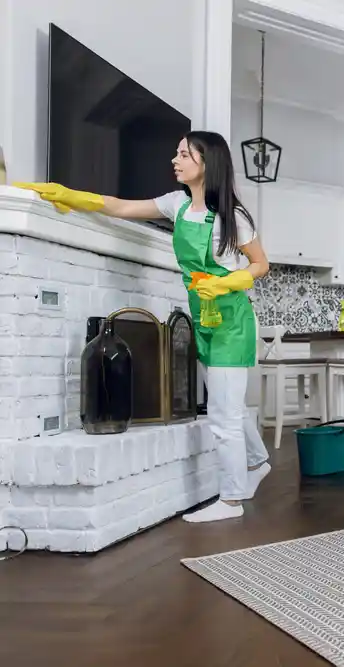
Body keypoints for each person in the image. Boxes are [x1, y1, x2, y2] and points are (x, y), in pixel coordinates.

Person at [15, 131, 272, 522]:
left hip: (231, 320)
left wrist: (228, 282)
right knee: (227, 406)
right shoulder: (177, 206)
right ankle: (256, 463)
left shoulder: (232, 217)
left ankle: (232, 500)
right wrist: (69, 195)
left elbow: (260, 264)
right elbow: (119, 207)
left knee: (223, 414)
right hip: (202, 316)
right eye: (177, 153)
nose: (175, 159)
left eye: (184, 154)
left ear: (207, 164)